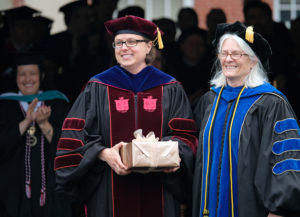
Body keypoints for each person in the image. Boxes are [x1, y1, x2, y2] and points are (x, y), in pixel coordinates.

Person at [55, 15, 197, 217]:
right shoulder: (97, 87)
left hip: (159, 189)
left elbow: (187, 135)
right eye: (119, 43)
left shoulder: (170, 87)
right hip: (108, 186)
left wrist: (169, 154)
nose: (124, 47)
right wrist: (102, 153)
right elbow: (74, 138)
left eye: (132, 42)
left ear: (149, 47)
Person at [192, 21, 300, 217]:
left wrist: (279, 209)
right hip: (208, 207)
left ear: (253, 61)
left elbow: (285, 158)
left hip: (253, 208)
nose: (228, 59)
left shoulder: (271, 103)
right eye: (223, 53)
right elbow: (195, 154)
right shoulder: (210, 101)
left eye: (236, 54)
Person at [0, 53, 71, 217]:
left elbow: (68, 146)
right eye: (22, 74)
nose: (27, 79)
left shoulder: (58, 103)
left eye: (32, 73)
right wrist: (26, 121)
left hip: (51, 189)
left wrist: (44, 124)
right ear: (15, 77)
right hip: (12, 191)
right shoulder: (4, 106)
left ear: (42, 76)